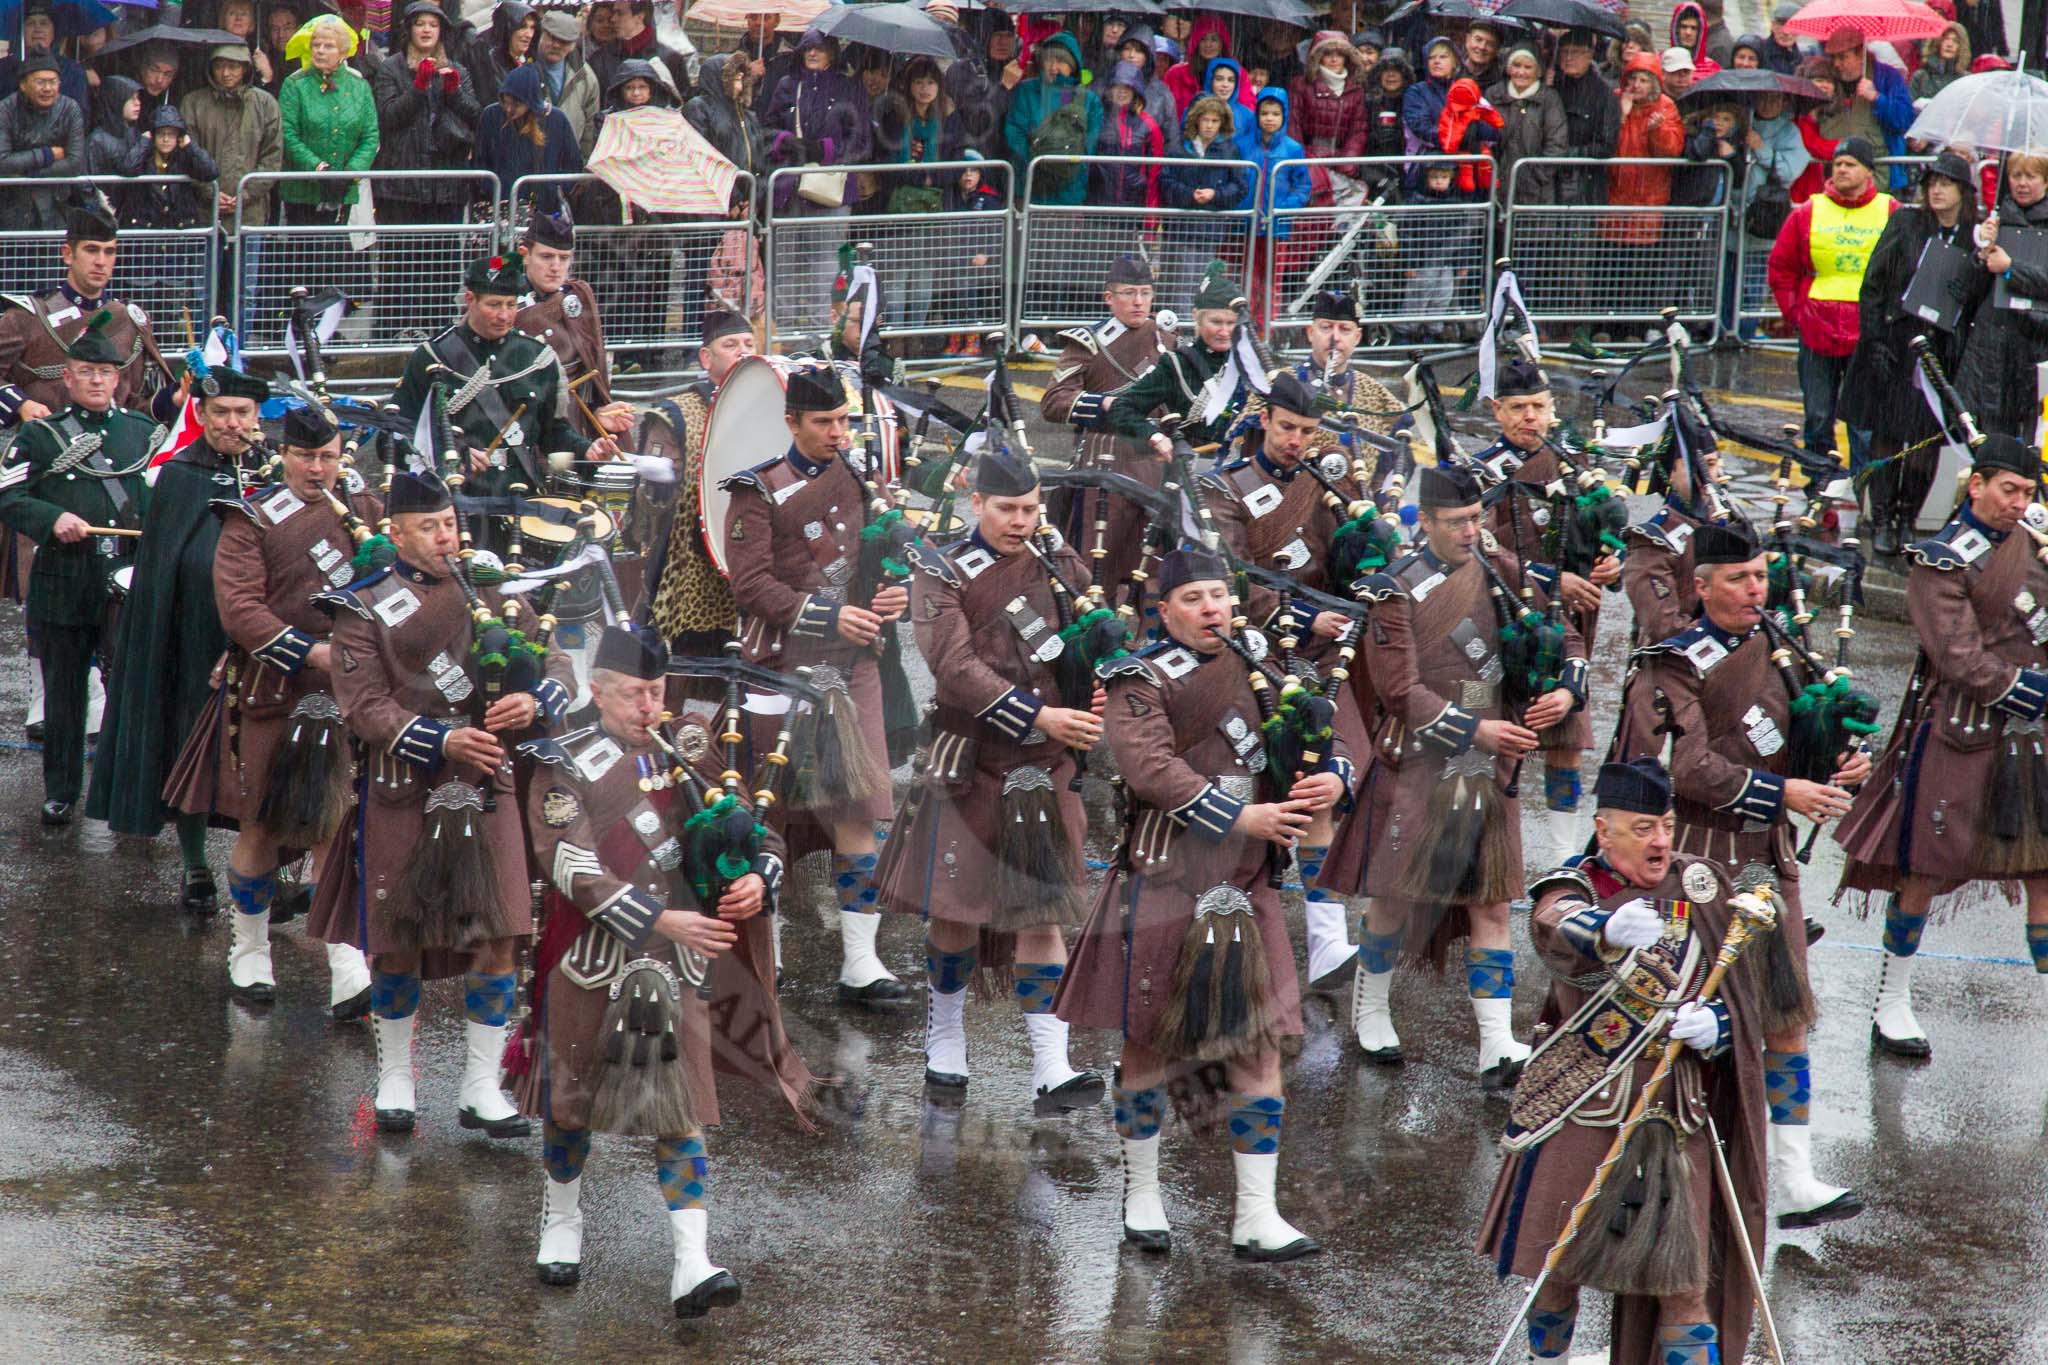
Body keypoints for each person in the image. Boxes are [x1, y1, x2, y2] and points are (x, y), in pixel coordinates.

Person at [512, 624, 815, 1314]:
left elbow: (757, 831)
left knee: (680, 1113)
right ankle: (562, 1218)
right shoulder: (565, 761)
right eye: (632, 694)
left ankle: (692, 1261)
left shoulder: (688, 752)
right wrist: (658, 918)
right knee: (571, 1105)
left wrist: (755, 879)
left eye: (656, 691)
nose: (648, 706)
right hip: (592, 960)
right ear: (597, 689)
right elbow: (570, 864)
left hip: (675, 965)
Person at [1056, 544, 1347, 1261]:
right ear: (1165, 609)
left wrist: (1332, 779)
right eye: (1193, 597)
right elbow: (1148, 767)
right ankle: (1143, 1192)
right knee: (1147, 1040)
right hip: (1166, 877)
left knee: (1259, 1044)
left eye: (1219, 594)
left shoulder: (1263, 662)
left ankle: (1256, 1214)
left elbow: (1323, 733)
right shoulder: (1138, 675)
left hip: (1248, 885)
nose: (1211, 607)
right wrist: (1240, 815)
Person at [1616, 520, 1867, 1232]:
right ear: (1700, 586)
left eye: (1760, 575)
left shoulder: (1781, 645)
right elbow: (1687, 768)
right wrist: (1785, 792)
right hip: (1697, 863)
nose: (1755, 589)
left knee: (1786, 1020)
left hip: (1767, 859)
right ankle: (1647, 1177)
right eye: (1737, 578)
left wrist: (1835, 765)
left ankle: (1792, 1178)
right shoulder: (1669, 664)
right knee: (1676, 1022)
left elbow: (1803, 746)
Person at [303, 469, 569, 1138]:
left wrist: (535, 698)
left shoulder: (492, 588)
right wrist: (446, 738)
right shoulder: (359, 605)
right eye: (429, 526)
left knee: (502, 932)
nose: (446, 535)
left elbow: (557, 662)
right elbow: (364, 707)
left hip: (489, 787)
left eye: (450, 522)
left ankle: (481, 1085)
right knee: (396, 940)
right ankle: (396, 1074)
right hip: (403, 786)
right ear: (394, 532)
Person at [1477, 758, 1770, 1365]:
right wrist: (1608, 930)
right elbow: (1555, 926)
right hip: (1586, 1105)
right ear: (1603, 831)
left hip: (1676, 1115)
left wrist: (1718, 1026)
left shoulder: (1703, 885)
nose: (1661, 840)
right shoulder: (1574, 888)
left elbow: (1752, 996)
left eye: (1665, 824)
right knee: (1555, 1275)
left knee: (1684, 1291)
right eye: (1642, 828)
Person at [876, 447, 1106, 1110]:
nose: (1021, 520)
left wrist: (1097, 686)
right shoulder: (938, 569)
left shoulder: (1061, 563)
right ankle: (945, 1036)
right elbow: (955, 666)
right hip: (970, 756)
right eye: (1008, 507)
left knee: (1045, 911)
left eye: (1032, 507)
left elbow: (1092, 638)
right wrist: (1043, 714)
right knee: (957, 909)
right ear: (976, 502)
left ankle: (1050, 1064)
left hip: (1048, 760)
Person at [1346, 462, 1585, 1080]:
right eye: (1455, 522)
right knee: (1394, 899)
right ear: (1423, 521)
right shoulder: (1392, 590)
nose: (1470, 531)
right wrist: (1474, 727)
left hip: (1488, 764)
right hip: (1420, 760)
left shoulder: (1503, 569)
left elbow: (1567, 639)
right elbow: (1399, 691)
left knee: (1493, 905)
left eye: (1477, 518)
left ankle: (1496, 1043)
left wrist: (1565, 691)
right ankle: (1370, 1009)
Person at [160, 403, 377, 1017]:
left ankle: (345, 959)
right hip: (270, 691)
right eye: (306, 456)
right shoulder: (249, 518)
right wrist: (315, 652)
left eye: (329, 457)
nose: (318, 468)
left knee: (337, 822)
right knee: (262, 821)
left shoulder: (361, 512)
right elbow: (240, 611)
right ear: (283, 454)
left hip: (345, 696)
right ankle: (250, 948)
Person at [1836, 435, 2048, 1059]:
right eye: (2009, 489)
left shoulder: (2035, 545)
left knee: (2045, 872)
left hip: (2034, 739)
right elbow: (1957, 656)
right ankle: (1892, 1000)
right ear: (1975, 484)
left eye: (2029, 493)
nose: (2018, 503)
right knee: (1928, 870)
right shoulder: (1939, 561)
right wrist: (2028, 690)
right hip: (1963, 729)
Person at [717, 364, 910, 1008]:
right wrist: (828, 612)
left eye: (844, 420)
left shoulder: (862, 482)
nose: (838, 433)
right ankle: (752, 955)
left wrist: (893, 594)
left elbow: (880, 563)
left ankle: (861, 963)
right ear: (791, 422)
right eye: (824, 422)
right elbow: (750, 587)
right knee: (766, 811)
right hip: (779, 666)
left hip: (852, 667)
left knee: (860, 808)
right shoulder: (755, 492)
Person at [1206, 371, 1377, 992]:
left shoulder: (1329, 481)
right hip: (1259, 656)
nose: (1296, 441)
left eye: (1307, 430)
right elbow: (1230, 582)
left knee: (1323, 780)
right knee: (1267, 785)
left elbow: (1353, 565)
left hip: (1327, 657)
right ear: (1264, 422)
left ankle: (1329, 942)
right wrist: (1305, 614)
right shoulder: (1225, 488)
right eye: (1287, 428)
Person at [87, 366, 273, 913]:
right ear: (203, 415)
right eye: (220, 414)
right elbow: (161, 566)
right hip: (193, 633)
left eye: (242, 414)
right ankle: (195, 863)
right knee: (191, 743)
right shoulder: (181, 475)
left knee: (266, 750)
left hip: (266, 639)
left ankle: (264, 860)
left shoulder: (277, 471)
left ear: (257, 419)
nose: (231, 424)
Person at [0, 315, 153, 825]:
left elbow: (161, 499)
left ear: (117, 379)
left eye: (104, 373)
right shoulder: (40, 437)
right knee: (64, 695)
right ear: (67, 377)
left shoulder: (143, 434)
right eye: (84, 371)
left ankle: (128, 790)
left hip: (126, 585)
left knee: (131, 691)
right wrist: (52, 518)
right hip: (64, 582)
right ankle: (62, 789)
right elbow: (9, 496)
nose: (95, 380)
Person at [1472, 360, 1618, 812]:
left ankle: (1562, 854)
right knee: (1495, 736)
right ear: (1497, 411)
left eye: (1538, 406)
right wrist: (1552, 581)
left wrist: (1614, 561)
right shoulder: (1482, 472)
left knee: (1566, 740)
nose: (1529, 417)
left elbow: (1602, 530)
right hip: (1504, 621)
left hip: (1567, 625)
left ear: (1552, 408)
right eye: (1518, 407)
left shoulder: (1576, 466)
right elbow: (1482, 548)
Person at [390, 253, 615, 527]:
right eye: (494, 305)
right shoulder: (432, 357)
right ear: (470, 300)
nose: (504, 315)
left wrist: (587, 450)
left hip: (519, 501)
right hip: (452, 508)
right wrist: (444, 453)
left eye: (511, 305)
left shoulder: (537, 358)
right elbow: (392, 436)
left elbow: (553, 433)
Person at [1842, 150, 1976, 555]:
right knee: (1886, 436)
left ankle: (1907, 518)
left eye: (1945, 183)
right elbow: (1873, 285)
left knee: (1924, 443)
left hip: (1940, 351)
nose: (1936, 190)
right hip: (1895, 344)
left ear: (1963, 191)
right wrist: (1874, 341)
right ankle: (1881, 516)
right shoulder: (1906, 222)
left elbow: (1978, 301)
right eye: (1931, 183)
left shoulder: (1975, 235)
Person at [1042, 253, 1172, 602]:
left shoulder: (1167, 338)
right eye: (1129, 293)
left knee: (1155, 567)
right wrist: (1104, 404)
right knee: (1097, 567)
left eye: (1145, 292)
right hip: (1106, 465)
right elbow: (1053, 402)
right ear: (1109, 297)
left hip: (1157, 463)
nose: (1139, 301)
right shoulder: (1088, 342)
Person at [1769, 137, 1895, 479]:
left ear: (1868, 171)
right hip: (1817, 330)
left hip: (1868, 332)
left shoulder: (1890, 210)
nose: (1841, 169)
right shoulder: (1809, 211)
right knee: (1818, 416)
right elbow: (1781, 267)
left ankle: (1863, 489)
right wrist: (1795, 314)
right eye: (1837, 163)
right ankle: (1818, 487)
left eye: (1850, 164)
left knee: (1863, 422)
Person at [635, 310, 752, 662]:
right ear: (706, 357)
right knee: (672, 673)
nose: (742, 351)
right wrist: (659, 478)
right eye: (730, 344)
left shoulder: (771, 407)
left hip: (750, 558)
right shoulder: (675, 414)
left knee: (751, 676)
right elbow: (649, 498)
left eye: (749, 343)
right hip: (688, 560)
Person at [0, 197, 174, 425]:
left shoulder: (129, 320)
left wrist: (175, 398)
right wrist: (21, 403)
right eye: (91, 250)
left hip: (115, 452)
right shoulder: (28, 317)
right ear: (68, 254)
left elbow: (135, 404)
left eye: (109, 252)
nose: (101, 261)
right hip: (47, 445)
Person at [1100, 262, 1247, 455]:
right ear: (1197, 317)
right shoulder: (1178, 364)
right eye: (1216, 322)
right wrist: (1155, 437)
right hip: (1191, 470)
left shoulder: (1248, 364)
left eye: (1231, 323)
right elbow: (1121, 409)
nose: (1224, 331)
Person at [516, 204, 629, 445]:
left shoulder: (579, 296)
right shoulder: (504, 304)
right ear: (525, 255)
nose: (556, 267)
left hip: (576, 423)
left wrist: (599, 414)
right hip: (524, 427)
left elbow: (592, 373)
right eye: (546, 257)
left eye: (564, 258)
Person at [1956, 150, 2048, 440]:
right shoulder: (1995, 223)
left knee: (2037, 436)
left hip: (2037, 341)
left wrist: (2011, 269)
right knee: (1995, 438)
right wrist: (1982, 254)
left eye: (2031, 176)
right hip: (1994, 344)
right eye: (2016, 175)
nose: (2022, 183)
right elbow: (1967, 291)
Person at [372, 2, 483, 242]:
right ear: (409, 30)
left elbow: (476, 117)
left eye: (433, 25)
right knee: (401, 264)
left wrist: (456, 94)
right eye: (420, 24)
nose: (426, 30)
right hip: (401, 190)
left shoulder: (457, 70)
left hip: (446, 188)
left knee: (442, 265)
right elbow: (388, 117)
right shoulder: (391, 68)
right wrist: (418, 87)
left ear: (441, 31)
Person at [277, 15, 379, 228]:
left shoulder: (359, 86)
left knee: (335, 256)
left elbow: (370, 137)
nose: (320, 50)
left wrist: (350, 172)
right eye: (316, 45)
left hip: (344, 190)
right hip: (301, 193)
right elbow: (286, 133)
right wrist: (319, 168)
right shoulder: (295, 84)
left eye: (328, 46)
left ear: (343, 52)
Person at [1158, 101, 1247, 317]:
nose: (1209, 125)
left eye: (1214, 121)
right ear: (1196, 120)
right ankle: (1181, 330)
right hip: (1181, 228)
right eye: (1205, 119)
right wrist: (1189, 195)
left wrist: (1215, 195)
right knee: (1180, 283)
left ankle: (1196, 328)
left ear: (1222, 123)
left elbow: (1240, 187)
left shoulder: (1230, 150)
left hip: (1210, 229)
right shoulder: (1179, 147)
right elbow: (1165, 181)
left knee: (1204, 282)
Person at [182, 44, 283, 232]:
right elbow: (187, 153)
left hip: (250, 214)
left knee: (246, 261)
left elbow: (272, 156)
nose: (225, 73)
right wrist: (209, 191)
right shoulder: (193, 102)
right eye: (219, 66)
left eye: (233, 67)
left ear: (245, 68)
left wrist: (245, 194)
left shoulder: (265, 103)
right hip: (204, 213)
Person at [1239, 87, 1309, 328]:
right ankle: (1242, 324)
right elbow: (1235, 180)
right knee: (1246, 277)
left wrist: (1281, 208)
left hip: (1277, 226)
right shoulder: (1244, 145)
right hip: (1246, 225)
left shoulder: (1292, 148)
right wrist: (1242, 206)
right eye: (1265, 113)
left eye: (1275, 114)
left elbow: (1302, 187)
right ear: (1257, 114)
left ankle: (1265, 327)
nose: (1269, 118)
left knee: (1271, 280)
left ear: (1284, 116)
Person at [1004, 32, 1099, 209]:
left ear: (1073, 65)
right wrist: (1037, 163)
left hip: (1069, 192)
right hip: (1029, 188)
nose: (1054, 67)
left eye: (1062, 61)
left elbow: (1089, 144)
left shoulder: (1089, 100)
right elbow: (1014, 132)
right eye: (1049, 60)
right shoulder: (1025, 91)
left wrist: (1066, 169)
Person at [1819, 25, 1914, 191]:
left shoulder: (1887, 77)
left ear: (1861, 55)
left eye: (1843, 57)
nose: (1836, 64)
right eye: (1833, 57)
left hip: (1877, 170)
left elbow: (1905, 119)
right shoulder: (1825, 77)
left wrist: (1877, 98)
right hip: (1834, 171)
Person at [0, 52, 84, 232]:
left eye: (53, 82)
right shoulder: (6, 109)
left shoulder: (70, 109)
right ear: (23, 84)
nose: (47, 88)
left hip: (57, 205)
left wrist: (29, 174)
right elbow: (2, 161)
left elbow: (75, 163)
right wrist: (46, 155)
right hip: (11, 207)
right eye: (40, 82)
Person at [1289, 30, 1366, 206]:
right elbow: (1293, 126)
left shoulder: (1356, 89)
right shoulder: (1300, 85)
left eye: (1339, 54)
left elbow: (1358, 130)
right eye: (1328, 54)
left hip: (1340, 163)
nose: (1334, 60)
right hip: (1309, 160)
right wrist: (1301, 162)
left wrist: (1349, 159)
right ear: (1318, 57)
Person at [1488, 45, 1566, 205]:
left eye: (1528, 67)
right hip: (1496, 186)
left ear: (1538, 71)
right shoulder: (1493, 94)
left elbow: (1557, 144)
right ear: (1509, 68)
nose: (1521, 72)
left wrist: (1536, 176)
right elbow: (1484, 138)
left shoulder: (1550, 99)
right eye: (1516, 65)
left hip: (1537, 192)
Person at [120, 107, 220, 232]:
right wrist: (144, 142)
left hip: (179, 230)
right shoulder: (144, 156)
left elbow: (211, 172)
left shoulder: (185, 155)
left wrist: (191, 146)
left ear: (179, 136)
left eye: (171, 134)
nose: (166, 139)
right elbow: (128, 168)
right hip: (148, 230)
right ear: (153, 135)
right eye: (161, 133)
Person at [1553, 30, 1620, 208]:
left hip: (1586, 182)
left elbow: (1606, 145)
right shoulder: (1553, 87)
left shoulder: (1604, 95)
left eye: (1575, 52)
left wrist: (1568, 155)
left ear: (1590, 54)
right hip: (1551, 179)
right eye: (1564, 52)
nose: (1568, 58)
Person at [533, 10, 602, 159]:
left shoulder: (586, 77)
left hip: (568, 166)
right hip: (529, 164)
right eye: (552, 37)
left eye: (564, 41)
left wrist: (582, 171)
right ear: (541, 34)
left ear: (573, 44)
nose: (556, 45)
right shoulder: (523, 68)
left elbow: (590, 129)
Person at [474, 0, 534, 107]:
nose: (529, 34)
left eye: (532, 27)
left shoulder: (531, 61)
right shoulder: (487, 60)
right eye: (522, 26)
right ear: (507, 27)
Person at [87, 75, 144, 177]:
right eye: (131, 99)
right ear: (116, 100)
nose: (138, 103)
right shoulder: (97, 140)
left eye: (138, 98)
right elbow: (87, 183)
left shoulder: (136, 133)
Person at [1911, 22, 1972, 102]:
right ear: (1937, 42)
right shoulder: (1921, 76)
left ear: (1961, 47)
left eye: (1955, 41)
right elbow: (1909, 110)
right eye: (1945, 39)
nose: (1949, 44)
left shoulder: (1967, 80)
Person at [1763, 1, 1816, 74]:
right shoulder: (1759, 52)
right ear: (1773, 26)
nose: (1786, 32)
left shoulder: (1802, 59)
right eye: (1781, 24)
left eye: (1792, 26)